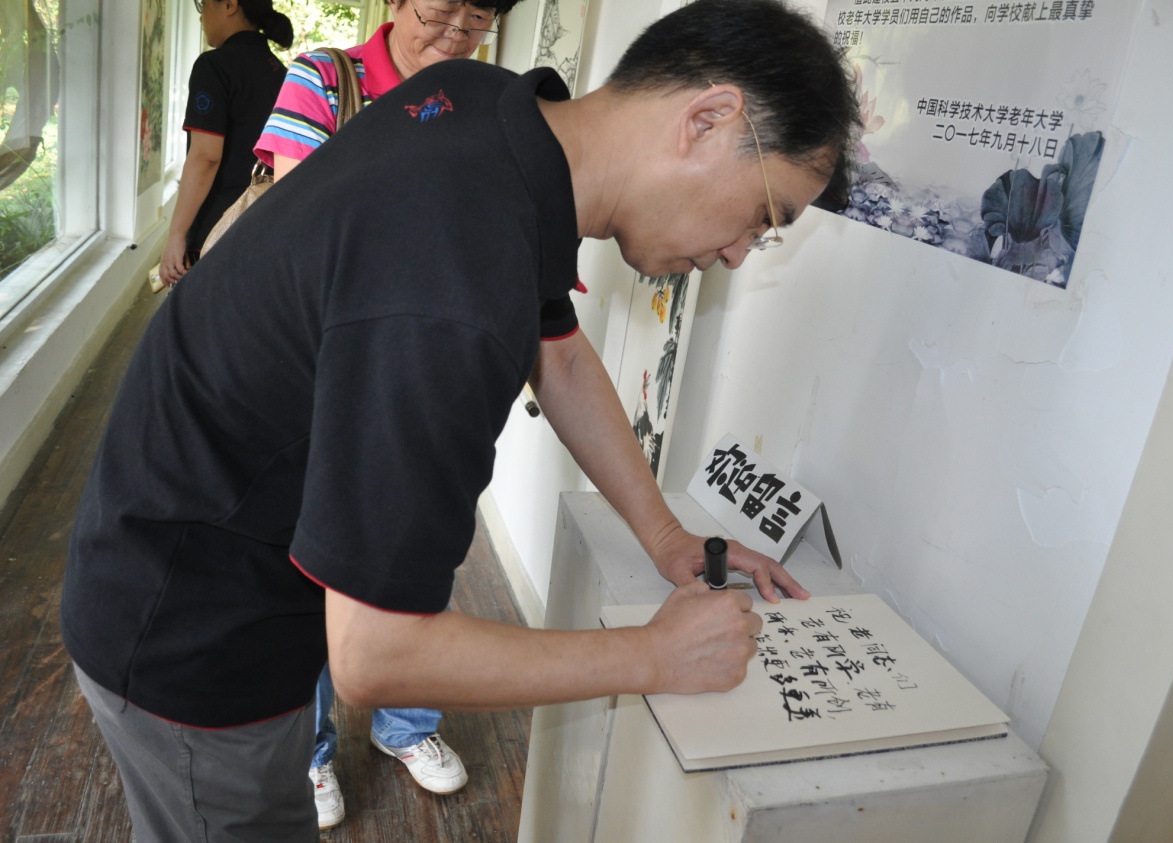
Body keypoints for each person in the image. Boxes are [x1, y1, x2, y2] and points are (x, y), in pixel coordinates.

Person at [60, 0, 862, 839]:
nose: (737, 254)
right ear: (706, 119)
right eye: (764, 217)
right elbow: (378, 654)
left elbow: (559, 353)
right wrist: (653, 655)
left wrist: (666, 538)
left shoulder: (487, 111)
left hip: (190, 537)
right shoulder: (451, 279)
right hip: (190, 630)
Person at [253, 0, 525, 827]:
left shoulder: (486, 100)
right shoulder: (323, 78)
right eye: (440, 10)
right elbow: (302, 221)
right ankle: (311, 748)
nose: (455, 33)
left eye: (477, 19)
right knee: (307, 561)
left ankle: (405, 723)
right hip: (319, 368)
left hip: (423, 373)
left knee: (415, 547)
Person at [158, 0, 291, 287]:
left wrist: (176, 235)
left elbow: (206, 156)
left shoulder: (214, 66)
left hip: (216, 232)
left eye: (203, 5)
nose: (201, 16)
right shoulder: (280, 72)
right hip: (264, 226)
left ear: (229, 5)